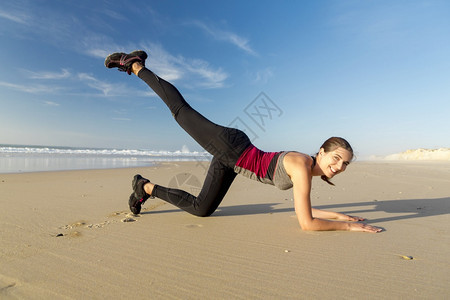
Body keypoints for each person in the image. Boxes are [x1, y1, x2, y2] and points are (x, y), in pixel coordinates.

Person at [105, 50, 382, 233]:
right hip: (232, 148)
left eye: (344, 164)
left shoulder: (307, 170)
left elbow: (305, 208)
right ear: (321, 152)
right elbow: (306, 223)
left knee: (202, 209)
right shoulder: (301, 166)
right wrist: (348, 228)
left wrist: (340, 217)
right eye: (336, 158)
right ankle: (135, 65)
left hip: (234, 159)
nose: (339, 166)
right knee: (180, 110)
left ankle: (144, 187)